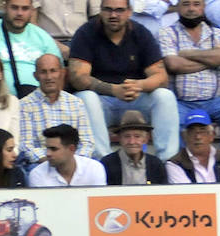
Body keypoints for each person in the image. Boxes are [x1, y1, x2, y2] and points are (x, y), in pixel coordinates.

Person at [68, 0, 180, 160]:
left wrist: (138, 85)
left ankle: (168, 162)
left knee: (165, 96)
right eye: (108, 10)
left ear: (129, 12)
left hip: (135, 99)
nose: (114, 15)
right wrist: (113, 89)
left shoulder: (141, 33)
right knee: (86, 98)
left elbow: (161, 78)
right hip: (102, 103)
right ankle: (104, 161)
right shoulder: (86, 33)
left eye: (119, 10)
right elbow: (77, 78)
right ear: (100, 11)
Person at [160, 0, 220, 152]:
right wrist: (211, 61)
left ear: (203, 8)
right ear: (178, 8)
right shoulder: (167, 32)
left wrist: (188, 54)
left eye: (196, 4)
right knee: (173, 121)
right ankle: (183, 167)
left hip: (215, 101)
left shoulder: (216, 33)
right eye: (186, 4)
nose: (191, 9)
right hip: (182, 102)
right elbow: (174, 64)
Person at [19, 53, 92, 164]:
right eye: (43, 72)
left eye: (53, 71)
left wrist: (71, 164)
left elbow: (87, 143)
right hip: (41, 165)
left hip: (75, 165)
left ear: (62, 73)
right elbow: (26, 146)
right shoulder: (24, 105)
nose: (49, 77)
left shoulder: (76, 103)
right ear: (35, 76)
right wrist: (54, 162)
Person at [167, 108, 220, 182]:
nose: (198, 137)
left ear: (212, 135)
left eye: (202, 131)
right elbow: (187, 193)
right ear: (185, 136)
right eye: (192, 132)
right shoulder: (174, 163)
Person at [28, 122, 105, 184]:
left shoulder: (94, 169)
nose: (48, 154)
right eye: (47, 148)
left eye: (54, 149)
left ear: (72, 149)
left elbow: (99, 202)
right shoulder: (37, 174)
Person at [101, 111, 166, 182]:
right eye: (127, 136)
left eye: (137, 136)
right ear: (119, 139)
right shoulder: (107, 163)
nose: (132, 142)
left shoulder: (155, 164)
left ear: (145, 139)